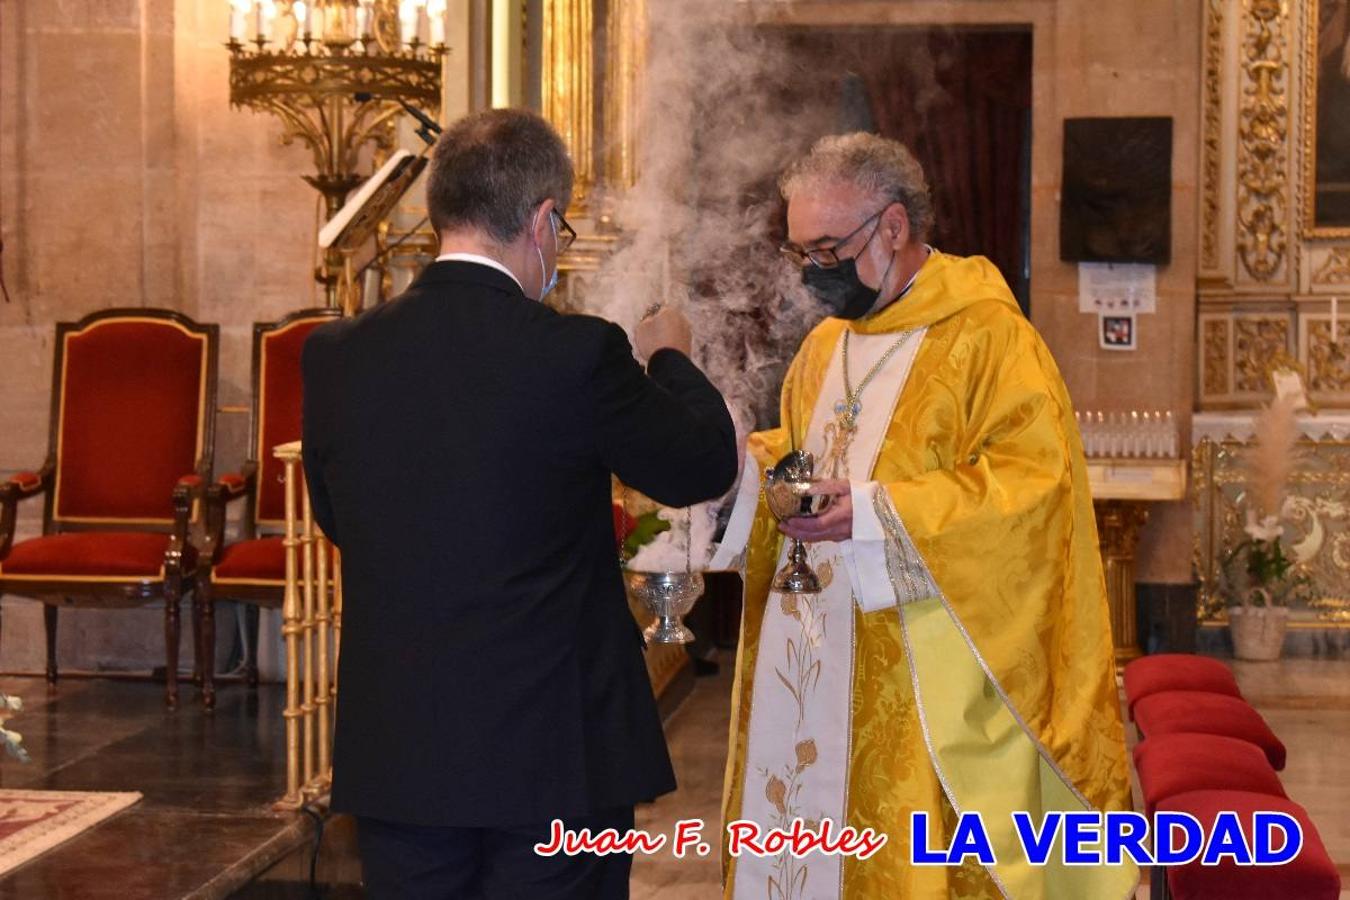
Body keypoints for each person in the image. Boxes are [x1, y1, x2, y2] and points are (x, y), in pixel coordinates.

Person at [301, 108, 738, 899]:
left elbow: (341, 518)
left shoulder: (335, 355)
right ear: (542, 221)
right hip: (554, 757)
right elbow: (700, 465)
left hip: (402, 752)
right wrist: (668, 353)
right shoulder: (576, 351)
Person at [710, 133, 1136, 898]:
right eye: (800, 251)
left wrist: (874, 513)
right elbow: (802, 450)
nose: (813, 270)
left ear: (894, 226)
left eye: (827, 248)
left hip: (925, 677)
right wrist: (743, 470)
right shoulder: (824, 347)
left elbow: (1031, 487)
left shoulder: (989, 338)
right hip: (818, 654)